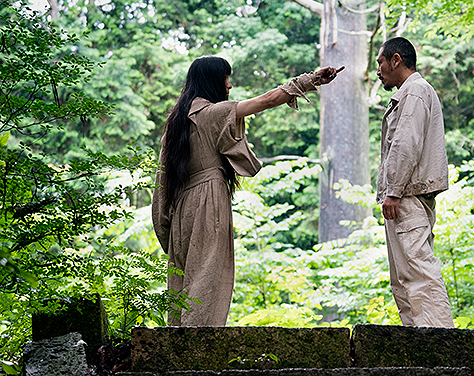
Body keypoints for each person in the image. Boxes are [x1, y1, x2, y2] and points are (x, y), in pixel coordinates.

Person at [152, 55, 344, 326]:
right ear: (211, 82)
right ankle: (198, 347)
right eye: (225, 78)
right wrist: (310, 80)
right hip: (209, 201)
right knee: (208, 277)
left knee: (185, 280)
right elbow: (265, 100)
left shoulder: (175, 124)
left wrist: (165, 225)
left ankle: (179, 341)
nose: (229, 85)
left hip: (182, 208)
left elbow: (161, 183)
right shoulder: (210, 114)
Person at [375, 37, 454, 327]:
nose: (379, 70)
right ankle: (415, 345)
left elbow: (406, 143)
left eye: (381, 63)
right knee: (404, 277)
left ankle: (439, 344)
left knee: (419, 272)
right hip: (405, 196)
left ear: (396, 60)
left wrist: (393, 191)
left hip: (407, 197)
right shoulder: (411, 92)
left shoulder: (415, 91)